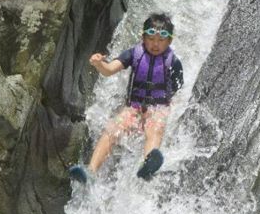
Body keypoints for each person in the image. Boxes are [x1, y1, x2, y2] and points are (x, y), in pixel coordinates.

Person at [70, 13, 184, 183]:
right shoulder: (134, 54)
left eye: (161, 40)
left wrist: (170, 109)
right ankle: (90, 171)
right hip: (134, 108)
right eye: (151, 39)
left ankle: (148, 165)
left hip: (158, 108)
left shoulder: (173, 62)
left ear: (169, 41)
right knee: (112, 129)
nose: (155, 44)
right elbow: (109, 70)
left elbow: (178, 91)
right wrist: (99, 64)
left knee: (155, 128)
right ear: (143, 37)